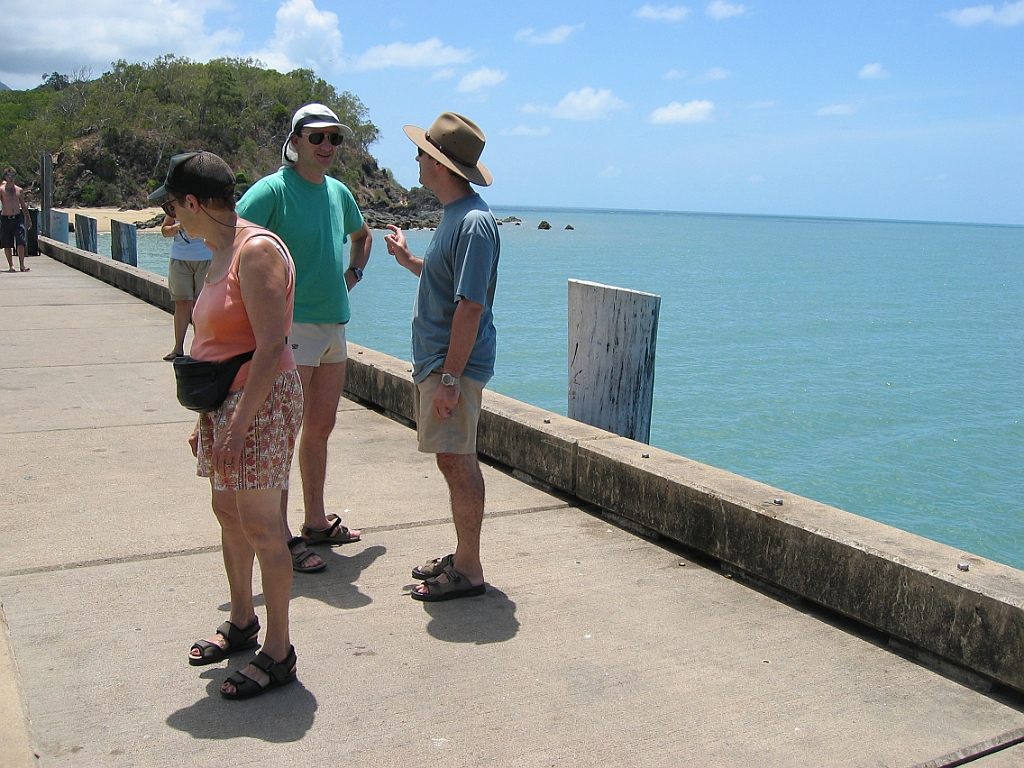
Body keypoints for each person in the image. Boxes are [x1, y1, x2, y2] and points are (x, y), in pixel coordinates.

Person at [149, 151, 302, 699]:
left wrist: (237, 424)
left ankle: (279, 652)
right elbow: (221, 340)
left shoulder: (254, 250)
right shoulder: (215, 250)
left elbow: (269, 347)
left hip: (257, 402)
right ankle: (242, 621)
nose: (171, 218)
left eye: (173, 206)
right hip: (227, 405)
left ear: (193, 202)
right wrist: (211, 421)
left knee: (263, 524)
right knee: (227, 511)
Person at [237, 103, 372, 574]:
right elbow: (234, 241)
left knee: (321, 427)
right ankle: (282, 536)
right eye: (317, 137)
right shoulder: (273, 190)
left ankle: (316, 521)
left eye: (334, 138)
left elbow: (362, 235)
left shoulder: (339, 192)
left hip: (335, 323)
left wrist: (351, 274)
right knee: (282, 435)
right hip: (291, 331)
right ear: (295, 142)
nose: (327, 146)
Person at [383, 112, 500, 601]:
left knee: (458, 461)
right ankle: (463, 553)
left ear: (439, 164)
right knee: (452, 460)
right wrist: (407, 258)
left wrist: (451, 379)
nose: (415, 158)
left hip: (452, 367)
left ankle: (469, 568)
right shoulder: (453, 217)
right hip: (439, 364)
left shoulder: (474, 223)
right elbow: (447, 286)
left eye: (422, 152)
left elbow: (471, 306)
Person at [160, 213, 212, 360]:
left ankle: (201, 347)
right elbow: (165, 231)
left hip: (206, 258)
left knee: (202, 305)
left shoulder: (206, 204)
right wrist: (178, 227)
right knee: (181, 303)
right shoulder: (175, 207)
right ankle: (178, 348)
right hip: (179, 259)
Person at [1, 168, 32, 273]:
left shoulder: (19, 190)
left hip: (17, 218)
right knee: (7, 243)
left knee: (21, 241)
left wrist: (28, 219)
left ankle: (22, 265)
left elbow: (23, 205)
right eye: (9, 176)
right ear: (5, 176)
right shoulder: (2, 190)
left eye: (13, 176)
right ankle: (11, 265)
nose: (11, 178)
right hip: (6, 218)